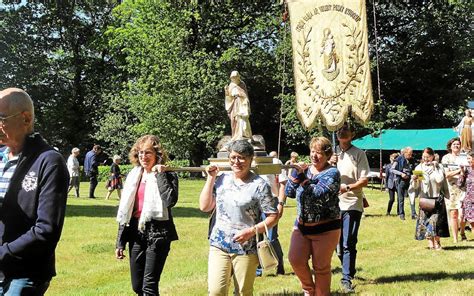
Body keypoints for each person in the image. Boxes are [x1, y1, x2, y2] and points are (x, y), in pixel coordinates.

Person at [0, 88, 68, 295]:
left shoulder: (49, 161)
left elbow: (46, 230)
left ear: (26, 119)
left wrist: (3, 253)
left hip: (24, 273)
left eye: (0, 118)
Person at [199, 140, 278, 296]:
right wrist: (210, 178)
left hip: (246, 248)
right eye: (233, 157)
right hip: (219, 244)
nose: (237, 162)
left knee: (243, 292)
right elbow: (204, 206)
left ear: (250, 159)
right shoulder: (221, 179)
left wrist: (251, 231)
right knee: (216, 291)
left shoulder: (260, 185)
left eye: (242, 158)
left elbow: (273, 216)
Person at [115, 135, 178, 295]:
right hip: (136, 232)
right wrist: (120, 242)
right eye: (140, 152)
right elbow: (126, 211)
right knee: (137, 286)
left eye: (148, 152)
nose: (143, 156)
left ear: (157, 154)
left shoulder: (168, 173)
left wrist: (160, 175)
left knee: (149, 286)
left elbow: (170, 200)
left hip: (158, 233)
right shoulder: (133, 175)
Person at [285, 137, 341, 296]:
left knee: (321, 268)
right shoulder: (306, 170)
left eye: (319, 153)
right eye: (312, 152)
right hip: (302, 226)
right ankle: (309, 290)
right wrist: (295, 172)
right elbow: (289, 192)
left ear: (328, 155)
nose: (314, 156)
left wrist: (302, 177)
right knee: (295, 259)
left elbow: (317, 194)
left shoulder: (333, 172)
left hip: (326, 229)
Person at [330, 124, 369, 293]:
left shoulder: (359, 154)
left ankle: (346, 278)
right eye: (339, 130)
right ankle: (349, 268)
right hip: (332, 204)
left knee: (348, 242)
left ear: (352, 134)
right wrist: (329, 163)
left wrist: (346, 188)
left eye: (346, 130)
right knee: (336, 244)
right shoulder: (331, 153)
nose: (342, 132)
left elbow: (364, 180)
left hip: (352, 203)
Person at [256, 151, 287, 276]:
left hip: (271, 201)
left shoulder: (275, 162)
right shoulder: (249, 162)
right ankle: (257, 270)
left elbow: (283, 184)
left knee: (272, 237)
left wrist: (280, 203)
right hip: (254, 203)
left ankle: (279, 265)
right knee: (256, 237)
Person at [413, 148, 450, 250]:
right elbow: (417, 187)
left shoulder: (439, 167)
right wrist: (415, 180)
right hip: (425, 198)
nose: (426, 159)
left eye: (428, 157)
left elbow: (440, 180)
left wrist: (436, 167)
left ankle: (437, 242)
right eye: (424, 157)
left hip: (437, 198)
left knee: (437, 221)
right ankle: (430, 243)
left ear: (433, 156)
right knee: (426, 221)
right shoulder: (419, 168)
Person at [441, 137, 467, 242]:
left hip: (464, 188)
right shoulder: (446, 158)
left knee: (463, 214)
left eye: (458, 144)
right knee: (454, 214)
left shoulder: (464, 157)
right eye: (454, 144)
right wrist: (459, 170)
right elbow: (447, 175)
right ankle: (455, 238)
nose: (456, 146)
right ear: (450, 146)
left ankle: (462, 232)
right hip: (451, 189)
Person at [224, 71, 253, 141]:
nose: (233, 79)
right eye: (232, 77)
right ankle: (235, 135)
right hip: (234, 104)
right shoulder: (231, 85)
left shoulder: (242, 84)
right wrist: (226, 91)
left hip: (241, 104)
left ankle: (243, 135)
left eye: (235, 77)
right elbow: (228, 97)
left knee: (242, 119)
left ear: (238, 77)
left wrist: (240, 95)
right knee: (234, 120)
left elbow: (245, 95)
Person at [390, 147, 414, 220]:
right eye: (409, 154)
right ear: (405, 153)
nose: (410, 156)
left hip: (410, 181)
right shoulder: (398, 159)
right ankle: (401, 214)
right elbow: (392, 169)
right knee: (401, 199)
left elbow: (414, 169)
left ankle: (413, 214)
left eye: (411, 154)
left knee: (412, 198)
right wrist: (401, 174)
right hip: (400, 181)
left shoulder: (412, 160)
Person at [457, 151, 474, 238]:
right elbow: (459, 184)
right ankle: (462, 233)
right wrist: (462, 173)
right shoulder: (466, 170)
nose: (468, 161)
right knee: (464, 217)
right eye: (467, 159)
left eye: (469, 158)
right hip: (469, 198)